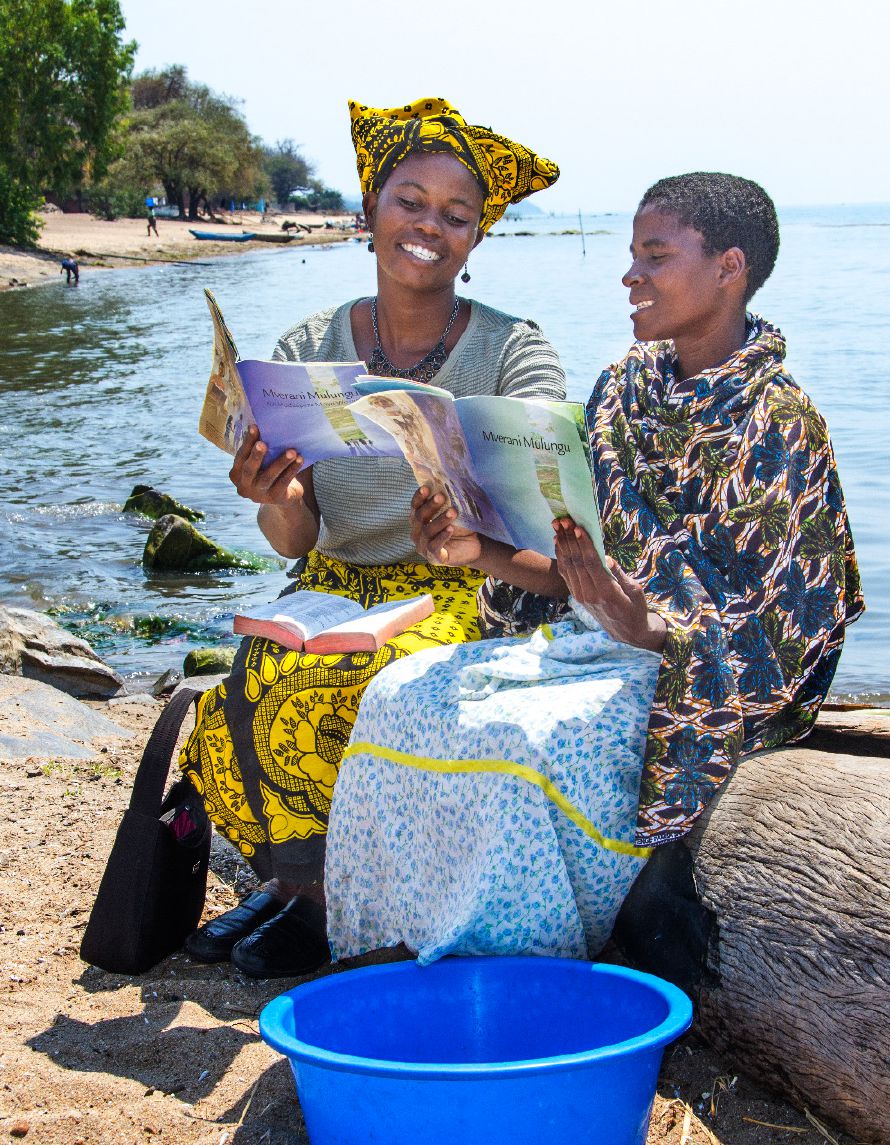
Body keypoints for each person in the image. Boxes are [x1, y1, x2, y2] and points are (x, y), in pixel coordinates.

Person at [325, 172, 865, 965]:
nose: (630, 276)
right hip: (591, 643)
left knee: (518, 745)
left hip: (697, 678)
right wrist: (477, 548)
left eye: (655, 255)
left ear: (729, 268)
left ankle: (519, 969)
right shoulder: (622, 388)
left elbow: (778, 636)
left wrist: (638, 623)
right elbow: (574, 569)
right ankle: (394, 944)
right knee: (399, 697)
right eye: (630, 254)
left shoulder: (780, 421)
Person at [179, 97, 565, 977]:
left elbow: (543, 503)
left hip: (464, 588)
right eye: (410, 201)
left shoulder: (514, 350)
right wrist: (266, 493)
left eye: (455, 215)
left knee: (353, 678)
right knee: (248, 676)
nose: (429, 225)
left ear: (474, 240)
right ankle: (293, 886)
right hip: (331, 582)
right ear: (368, 213)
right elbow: (293, 534)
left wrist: (469, 515)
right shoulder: (307, 347)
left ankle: (317, 902)